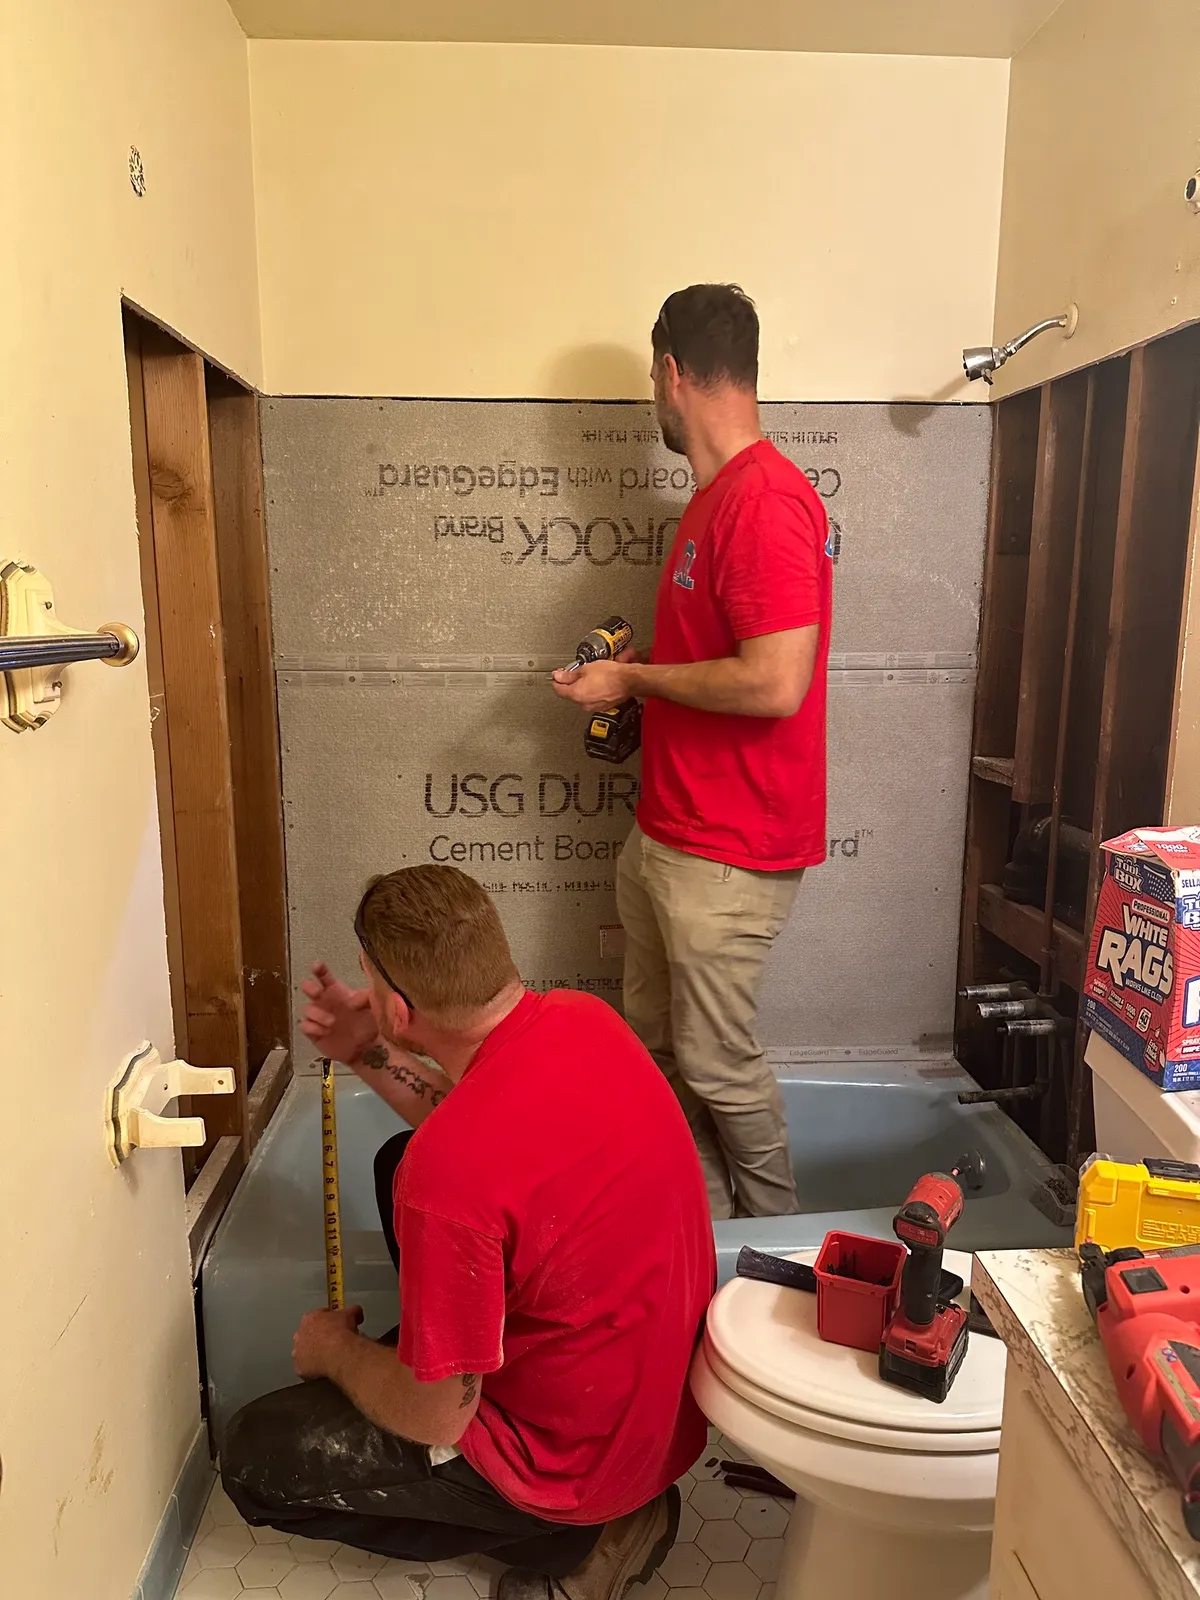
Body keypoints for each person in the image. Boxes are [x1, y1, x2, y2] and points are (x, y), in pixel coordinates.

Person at [221, 864, 715, 1600]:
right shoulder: (585, 1020)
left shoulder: (446, 1180)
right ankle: (607, 1500)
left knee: (252, 1459)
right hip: (653, 1415)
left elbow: (432, 1416)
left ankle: (574, 1538)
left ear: (397, 1000)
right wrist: (370, 1052)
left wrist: (337, 1353)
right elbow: (489, 1132)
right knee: (399, 1162)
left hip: (572, 1468)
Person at [553, 284, 832, 1222]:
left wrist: (634, 684)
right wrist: (645, 677)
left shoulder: (765, 503)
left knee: (715, 1061)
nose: (653, 396)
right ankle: (705, 1235)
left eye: (649, 378)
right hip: (669, 834)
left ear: (672, 375)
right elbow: (726, 665)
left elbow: (774, 682)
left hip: (728, 850)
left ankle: (781, 1245)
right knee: (660, 1051)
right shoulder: (713, 502)